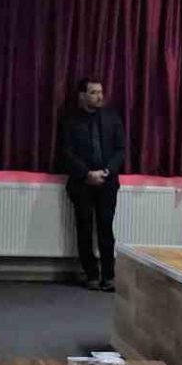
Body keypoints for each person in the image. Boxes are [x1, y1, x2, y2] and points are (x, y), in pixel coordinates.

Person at [57, 78, 126, 292]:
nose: (99, 96)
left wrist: (107, 171)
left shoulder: (112, 118)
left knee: (106, 228)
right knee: (84, 229)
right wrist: (87, 174)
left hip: (107, 183)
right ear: (82, 96)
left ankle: (108, 276)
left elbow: (120, 150)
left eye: (100, 92)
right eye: (94, 92)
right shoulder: (70, 121)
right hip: (82, 184)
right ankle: (91, 275)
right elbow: (66, 153)